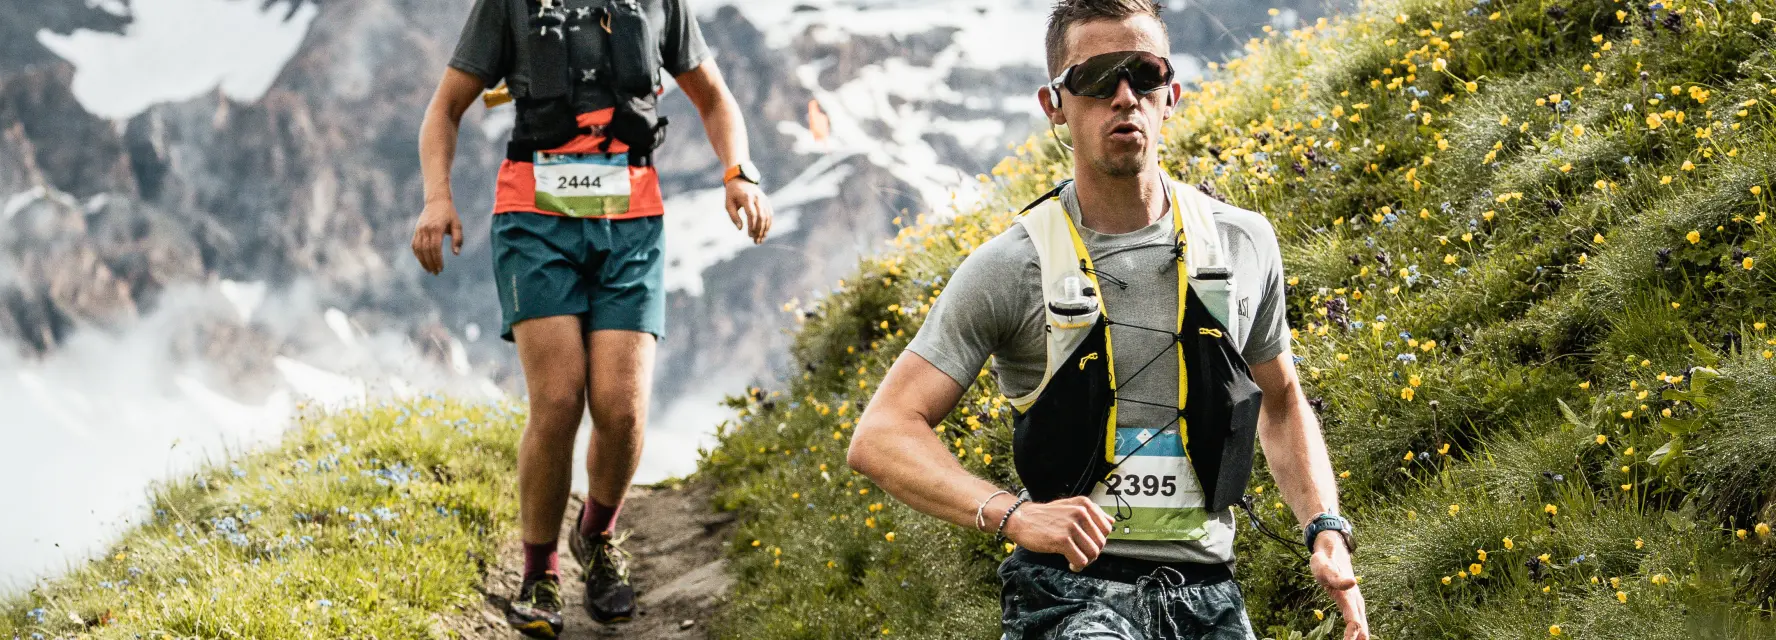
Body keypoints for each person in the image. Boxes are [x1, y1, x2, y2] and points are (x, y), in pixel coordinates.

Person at [845, 1, 1370, 638]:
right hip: (1066, 596)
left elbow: (1281, 405)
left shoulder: (1243, 243)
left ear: (1170, 94)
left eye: (1143, 73)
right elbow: (882, 434)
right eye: (1095, 77)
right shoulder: (1012, 266)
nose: (1124, 96)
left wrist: (1326, 530)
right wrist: (1013, 516)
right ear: (1054, 104)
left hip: (1209, 594)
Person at [410, 0, 773, 635]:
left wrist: (738, 171)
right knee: (557, 400)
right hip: (534, 221)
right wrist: (437, 199)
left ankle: (598, 535)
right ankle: (540, 572)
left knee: (622, 408)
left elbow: (713, 96)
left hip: (632, 225)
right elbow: (445, 108)